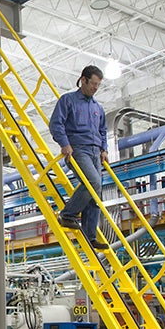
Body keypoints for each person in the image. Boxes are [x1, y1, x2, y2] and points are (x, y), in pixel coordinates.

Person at [48, 64, 109, 250]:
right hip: (77, 149)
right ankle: (67, 214)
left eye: (98, 85)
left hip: (95, 151)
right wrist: (64, 144)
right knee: (93, 182)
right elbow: (56, 124)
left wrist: (104, 149)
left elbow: (103, 130)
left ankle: (90, 237)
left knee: (95, 194)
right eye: (93, 84)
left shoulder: (98, 108)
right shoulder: (68, 101)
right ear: (83, 80)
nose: (95, 88)